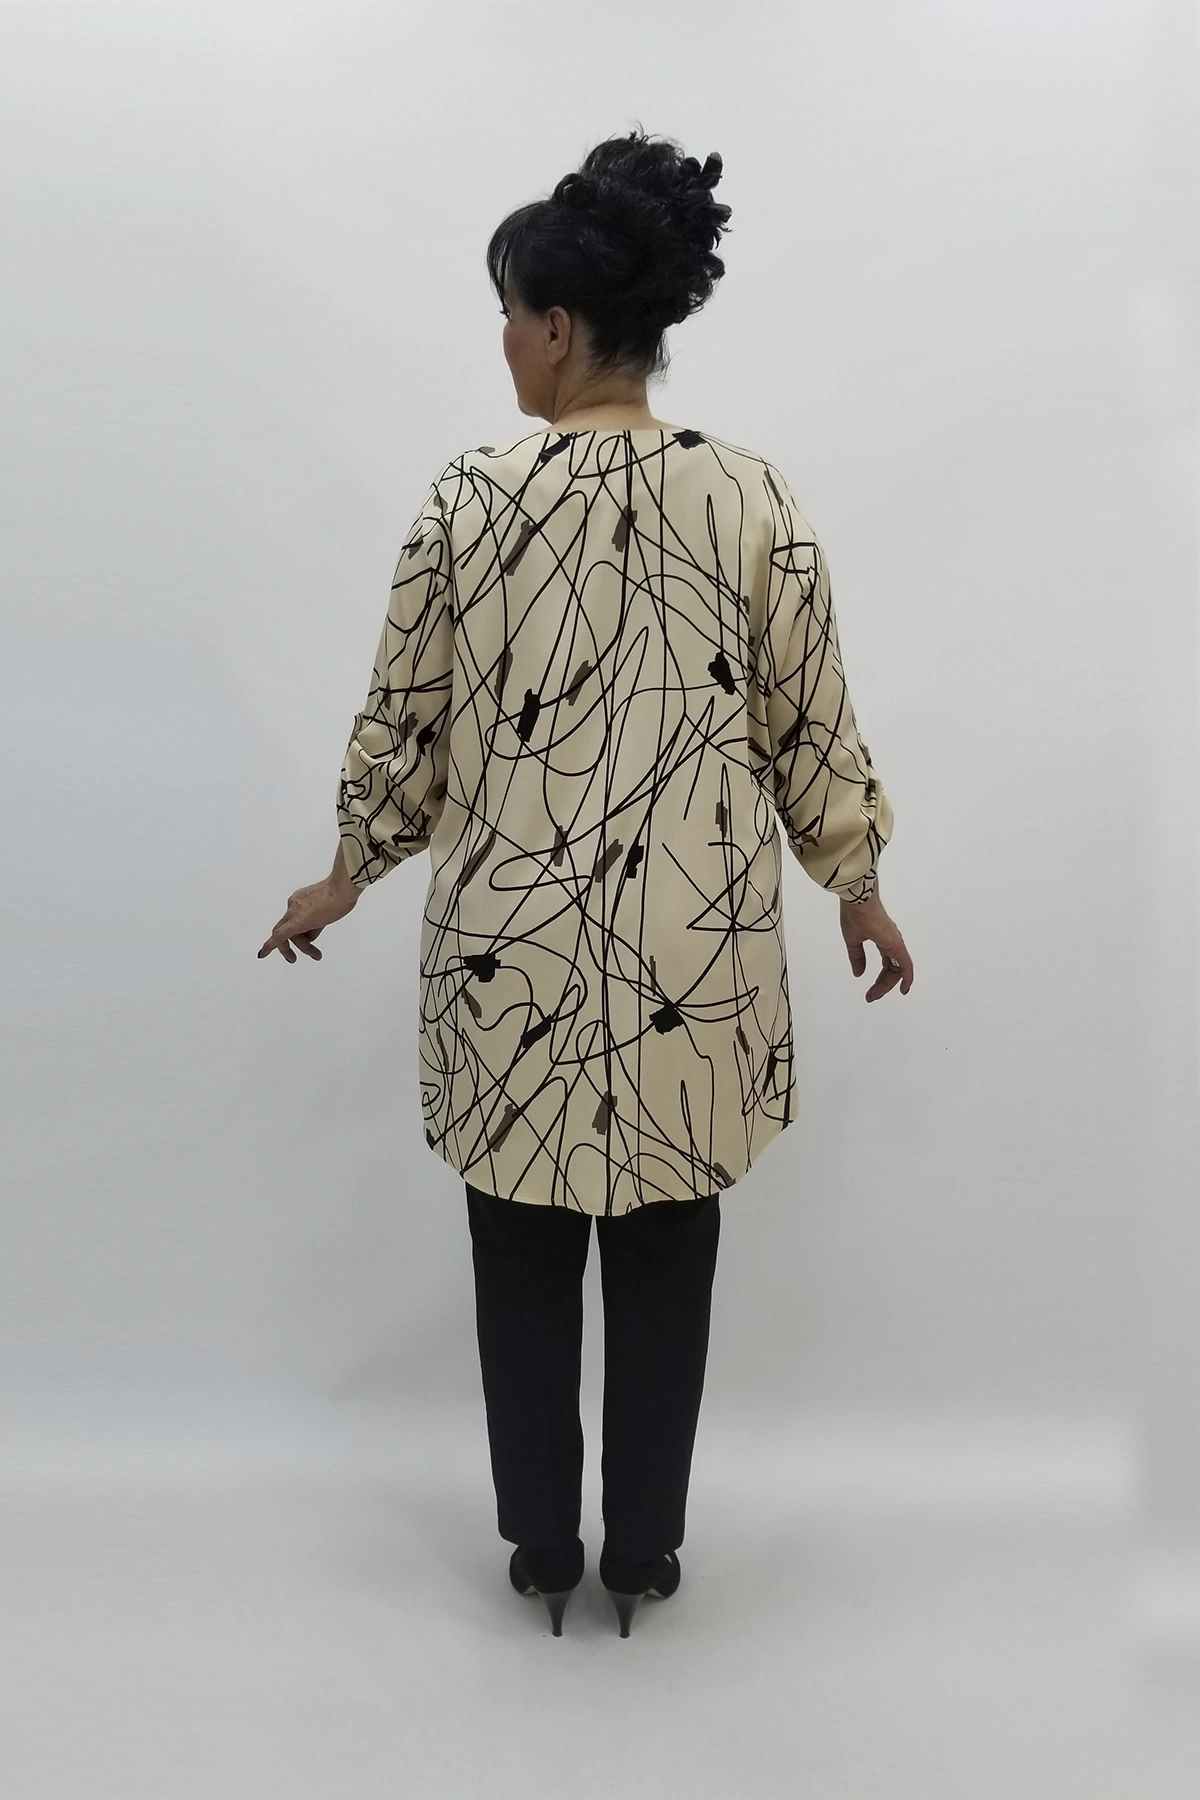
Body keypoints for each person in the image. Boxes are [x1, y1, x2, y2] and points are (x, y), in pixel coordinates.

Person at [257, 127, 914, 1639]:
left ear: (558, 327)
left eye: (508, 314)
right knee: (672, 1254)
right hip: (699, 959)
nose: (501, 341)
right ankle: (644, 1558)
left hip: (514, 965)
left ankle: (544, 1550)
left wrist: (348, 870)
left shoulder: (467, 502)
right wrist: (857, 882)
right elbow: (809, 718)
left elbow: (404, 720)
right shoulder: (750, 498)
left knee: (521, 1253)